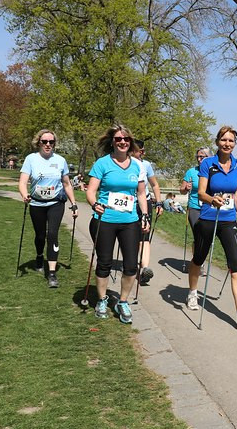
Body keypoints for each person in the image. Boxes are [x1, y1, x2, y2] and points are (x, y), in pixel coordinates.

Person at [186, 126, 237, 331]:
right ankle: (192, 293)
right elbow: (201, 193)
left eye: (231, 141)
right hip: (208, 217)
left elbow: (235, 194)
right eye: (224, 140)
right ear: (217, 141)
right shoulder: (208, 164)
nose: (227, 144)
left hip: (228, 220)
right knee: (198, 259)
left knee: (236, 265)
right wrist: (212, 199)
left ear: (235, 144)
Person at [85, 124, 151, 324]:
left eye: (126, 139)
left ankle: (122, 301)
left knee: (131, 264)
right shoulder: (102, 164)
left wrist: (145, 216)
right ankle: (102, 299)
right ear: (112, 142)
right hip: (104, 220)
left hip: (130, 221)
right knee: (104, 262)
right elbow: (90, 190)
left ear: (130, 143)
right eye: (118, 139)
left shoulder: (137, 166)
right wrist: (94, 204)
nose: (123, 142)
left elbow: (140, 193)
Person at [19, 129, 79, 288]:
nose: (47, 145)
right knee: (40, 235)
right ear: (38, 142)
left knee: (52, 234)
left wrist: (74, 204)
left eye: (51, 142)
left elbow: (67, 184)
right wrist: (25, 194)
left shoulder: (60, 160)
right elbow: (23, 181)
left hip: (55, 203)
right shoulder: (30, 159)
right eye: (44, 142)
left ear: (54, 144)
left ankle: (52, 273)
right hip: (37, 203)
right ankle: (39, 255)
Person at [131, 139, 163, 285]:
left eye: (143, 151)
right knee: (131, 235)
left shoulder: (146, 164)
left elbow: (154, 184)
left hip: (146, 203)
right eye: (140, 150)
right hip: (129, 204)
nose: (142, 153)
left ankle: (144, 268)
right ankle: (131, 264)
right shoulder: (124, 163)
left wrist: (159, 202)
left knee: (144, 234)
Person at [180, 147, 211, 234]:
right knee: (198, 234)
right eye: (197, 157)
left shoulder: (213, 171)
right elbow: (181, 190)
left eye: (201, 157)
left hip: (209, 207)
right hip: (194, 207)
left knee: (207, 236)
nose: (198, 159)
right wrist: (186, 188)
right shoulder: (191, 171)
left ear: (208, 157)